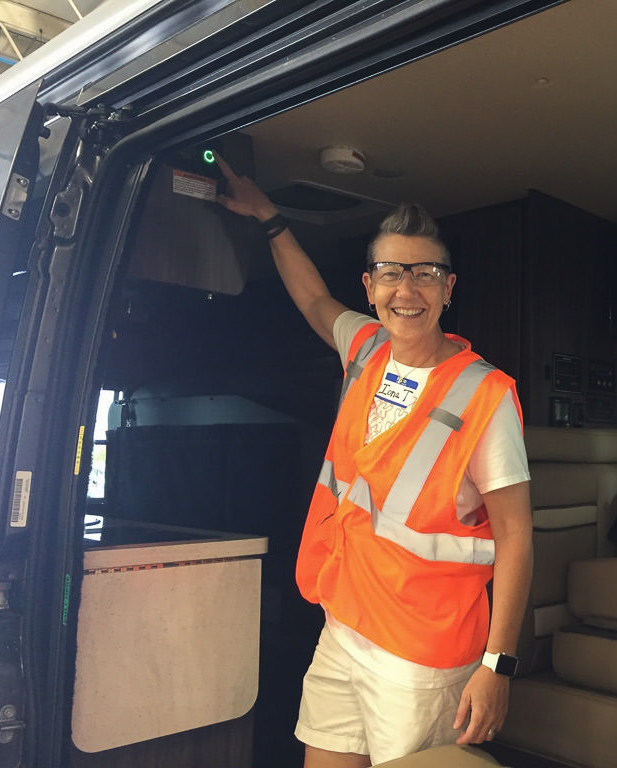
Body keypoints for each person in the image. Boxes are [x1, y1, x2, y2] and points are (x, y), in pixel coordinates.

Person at [215, 156, 533, 767]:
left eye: (424, 274)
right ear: (370, 287)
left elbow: (517, 535)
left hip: (423, 654)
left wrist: (498, 666)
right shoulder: (364, 347)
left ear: (447, 287)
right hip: (344, 626)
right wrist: (268, 218)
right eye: (390, 273)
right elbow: (311, 299)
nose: (405, 291)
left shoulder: (484, 395)